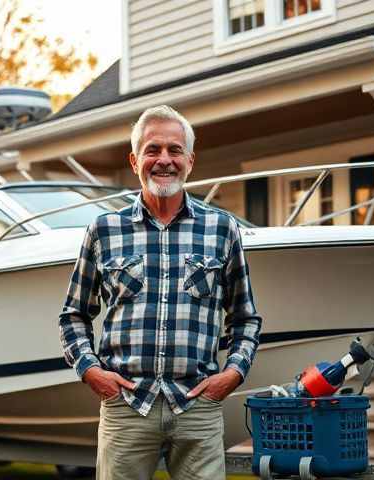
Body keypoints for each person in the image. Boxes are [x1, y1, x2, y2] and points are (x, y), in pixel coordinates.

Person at [58, 105, 262, 480]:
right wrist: (91, 371)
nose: (164, 160)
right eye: (153, 150)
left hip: (198, 406)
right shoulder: (103, 230)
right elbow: (74, 316)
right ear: (135, 160)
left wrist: (232, 374)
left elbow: (245, 317)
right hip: (126, 407)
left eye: (174, 150)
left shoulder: (222, 229)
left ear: (190, 160)